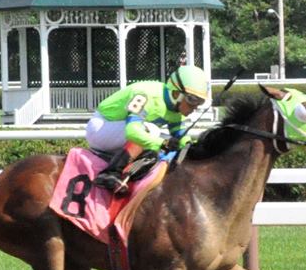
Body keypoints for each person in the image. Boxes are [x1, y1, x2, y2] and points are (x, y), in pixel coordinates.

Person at [86, 65, 212, 195]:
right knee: (152, 131)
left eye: (200, 102)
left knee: (161, 140)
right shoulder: (146, 95)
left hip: (118, 133)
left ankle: (133, 175)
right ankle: (109, 174)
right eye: (192, 100)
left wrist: (188, 145)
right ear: (176, 94)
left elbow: (178, 131)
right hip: (101, 128)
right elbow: (132, 131)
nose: (195, 107)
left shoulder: (175, 107)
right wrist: (162, 143)